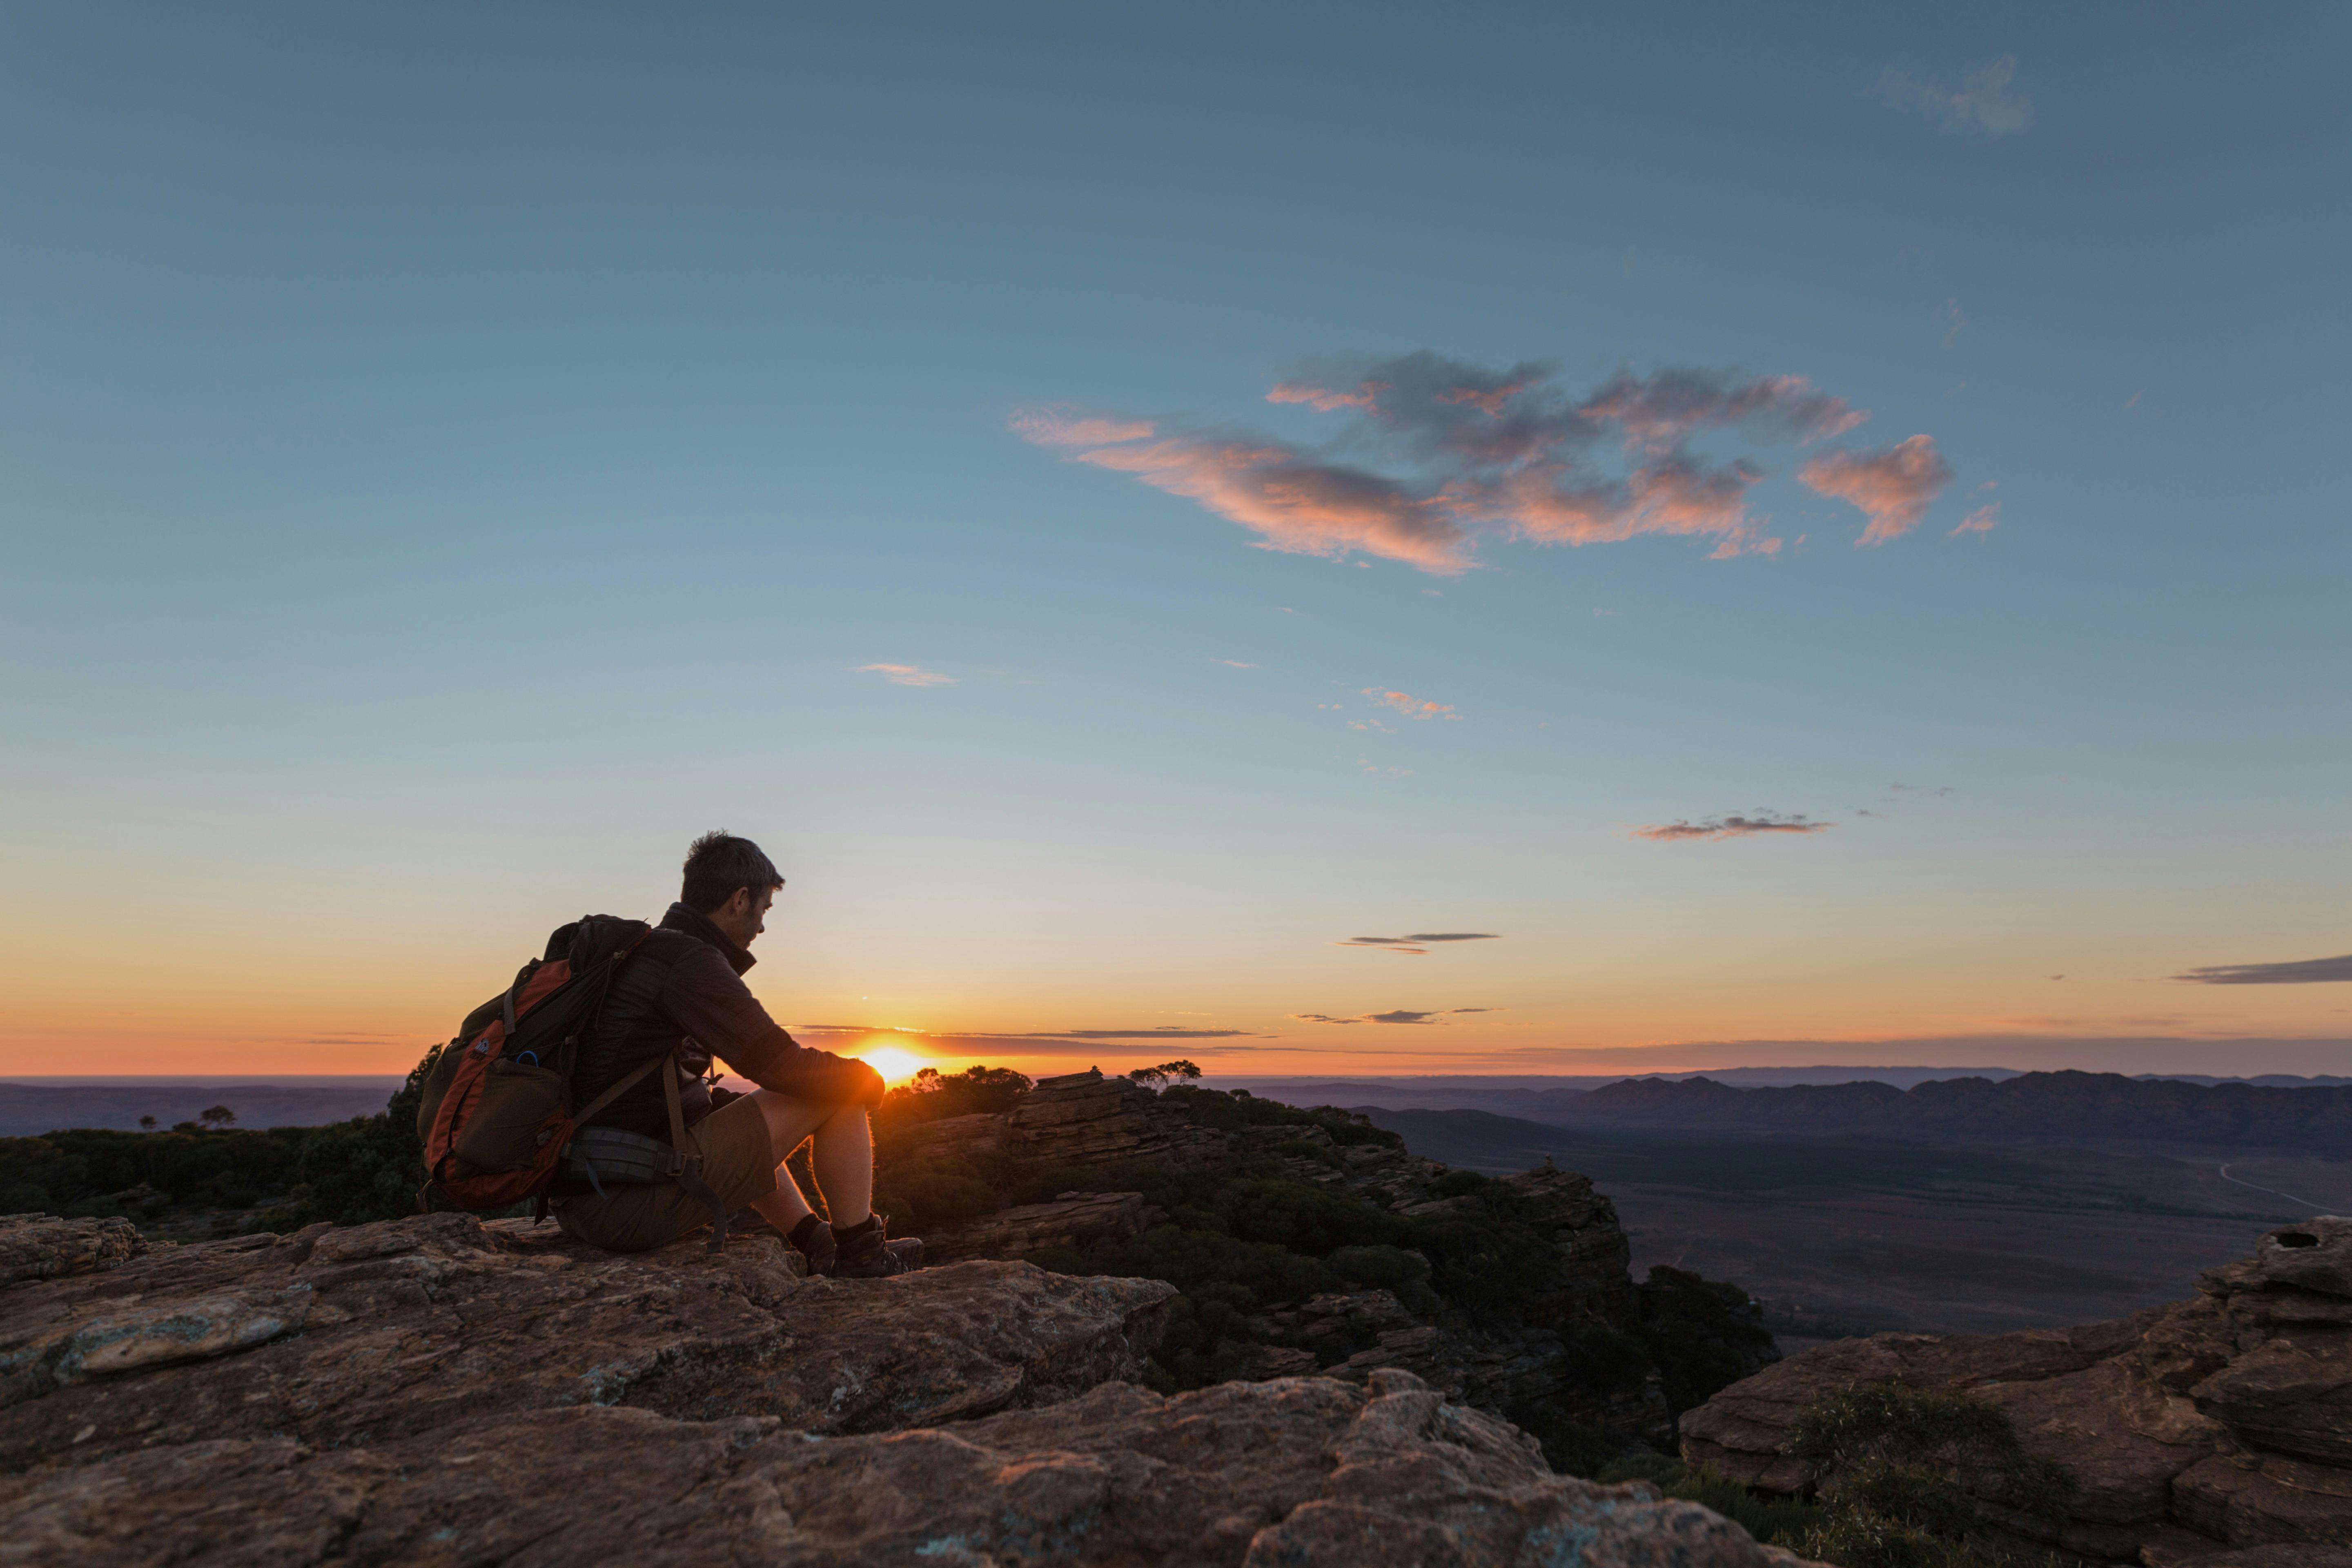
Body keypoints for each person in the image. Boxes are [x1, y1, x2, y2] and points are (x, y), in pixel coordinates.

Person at [550, 829, 918, 1277]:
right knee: (838, 1090)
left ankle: (814, 1240)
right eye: (764, 909)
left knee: (729, 1109)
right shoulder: (689, 961)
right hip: (624, 1206)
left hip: (591, 1194)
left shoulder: (648, 952)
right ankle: (862, 1255)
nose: (763, 926)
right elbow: (782, 1066)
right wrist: (869, 1079)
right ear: (740, 900)